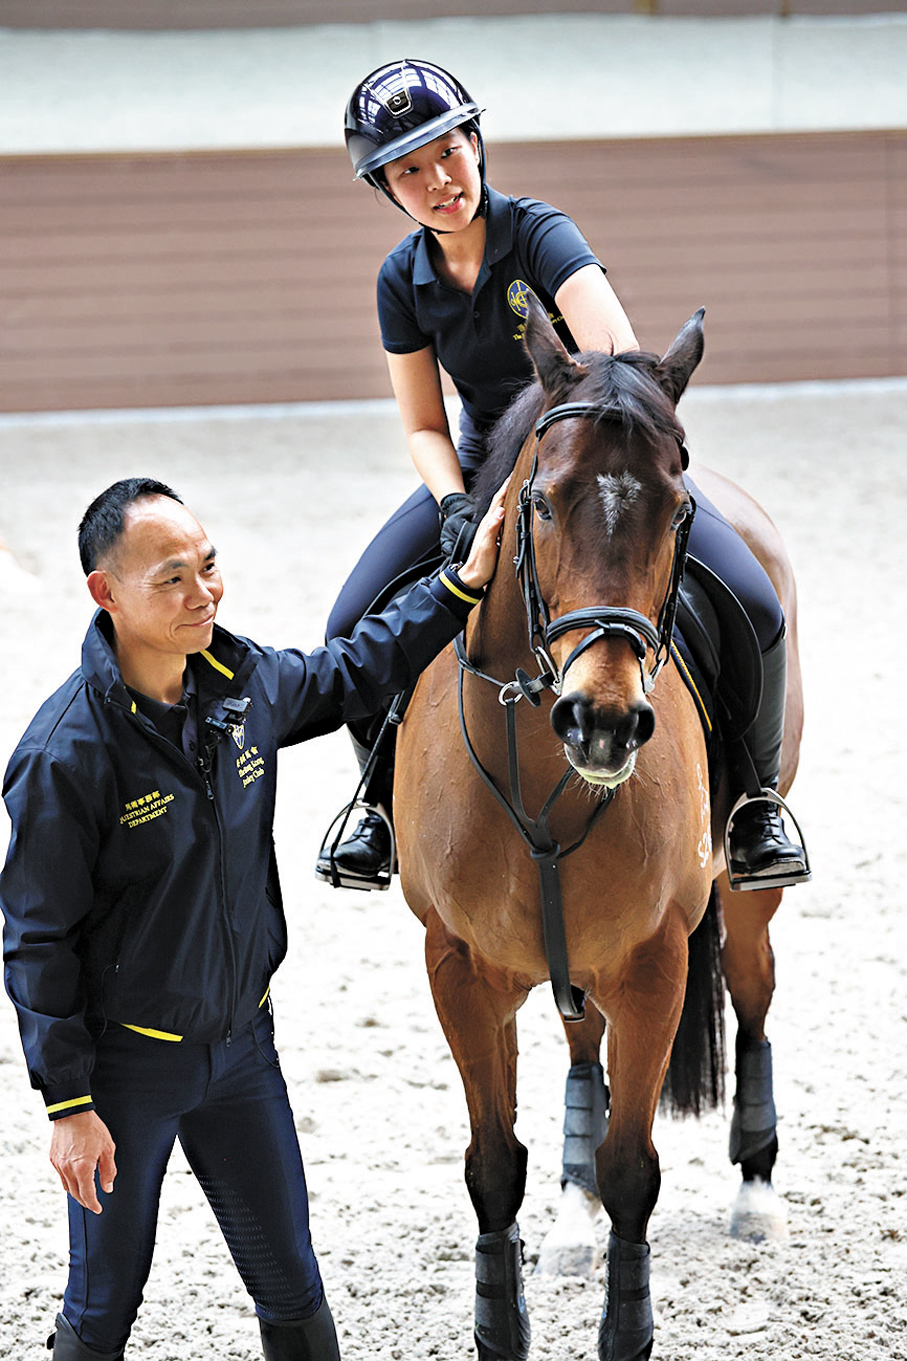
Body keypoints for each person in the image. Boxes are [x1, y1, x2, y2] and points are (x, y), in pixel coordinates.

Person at [0, 475, 505, 1361]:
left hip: (242, 1054)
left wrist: (458, 586)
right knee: (103, 1307)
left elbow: (358, 667)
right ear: (104, 593)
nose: (203, 593)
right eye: (171, 578)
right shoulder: (62, 755)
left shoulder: (245, 685)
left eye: (208, 565)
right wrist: (70, 1104)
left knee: (295, 1290)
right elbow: (35, 938)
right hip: (126, 1075)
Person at [316, 57, 808, 895]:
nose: (438, 181)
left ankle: (753, 804)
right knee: (350, 620)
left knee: (754, 604)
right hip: (477, 467)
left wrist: (550, 475)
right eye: (409, 171)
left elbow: (613, 357)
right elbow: (425, 423)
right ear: (386, 189)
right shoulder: (400, 281)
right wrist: (450, 505)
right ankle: (380, 809)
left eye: (448, 153)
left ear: (476, 142)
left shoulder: (541, 233)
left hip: (591, 460)